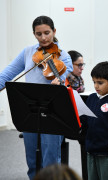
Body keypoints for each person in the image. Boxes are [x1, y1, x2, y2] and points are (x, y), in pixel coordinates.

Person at [0, 15, 73, 179]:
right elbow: (7, 74)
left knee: (50, 161)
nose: (43, 38)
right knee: (32, 160)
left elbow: (63, 77)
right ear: (34, 34)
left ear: (54, 31)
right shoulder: (28, 52)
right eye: (39, 34)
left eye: (47, 33)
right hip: (30, 112)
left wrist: (59, 80)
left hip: (53, 114)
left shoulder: (63, 56)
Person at [80, 61, 108, 180]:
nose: (96, 86)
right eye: (94, 82)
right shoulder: (91, 98)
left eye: (100, 83)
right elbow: (85, 121)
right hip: (91, 151)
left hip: (107, 153)